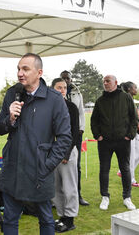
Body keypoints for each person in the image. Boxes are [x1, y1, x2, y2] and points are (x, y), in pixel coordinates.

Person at [0, 53, 72, 235]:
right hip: (13, 169)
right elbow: (0, 128)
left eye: (25, 69)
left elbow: (64, 138)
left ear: (39, 72)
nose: (20, 73)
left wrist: (47, 165)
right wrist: (10, 119)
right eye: (18, 69)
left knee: (46, 219)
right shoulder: (12, 93)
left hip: (39, 171)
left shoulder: (54, 99)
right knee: (10, 220)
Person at [91, 75, 138, 210]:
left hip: (123, 141)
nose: (105, 83)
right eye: (104, 81)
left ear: (115, 83)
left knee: (125, 168)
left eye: (108, 81)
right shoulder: (100, 101)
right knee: (104, 169)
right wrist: (97, 135)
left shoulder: (126, 97)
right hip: (104, 142)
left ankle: (127, 197)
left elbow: (133, 118)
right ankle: (105, 197)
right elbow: (94, 120)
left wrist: (130, 135)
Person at [51, 78, 79, 233]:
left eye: (64, 87)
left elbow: (75, 132)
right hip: (53, 153)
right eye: (59, 87)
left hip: (67, 151)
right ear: (52, 89)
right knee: (56, 187)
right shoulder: (49, 107)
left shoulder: (71, 107)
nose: (62, 90)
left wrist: (66, 153)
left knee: (69, 187)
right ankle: (62, 216)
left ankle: (70, 219)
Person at [60, 70, 89, 206]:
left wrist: (81, 128)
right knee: (59, 166)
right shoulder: (57, 93)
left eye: (68, 78)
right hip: (60, 134)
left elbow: (81, 112)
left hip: (76, 134)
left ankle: (78, 194)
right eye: (63, 78)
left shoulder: (77, 92)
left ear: (71, 79)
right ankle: (59, 197)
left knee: (76, 165)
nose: (66, 80)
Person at [117, 82, 139, 187]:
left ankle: (122, 171)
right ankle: (131, 180)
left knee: (136, 155)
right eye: (135, 88)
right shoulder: (125, 100)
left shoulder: (130, 100)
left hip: (134, 132)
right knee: (130, 156)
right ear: (129, 89)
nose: (137, 89)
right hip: (129, 133)